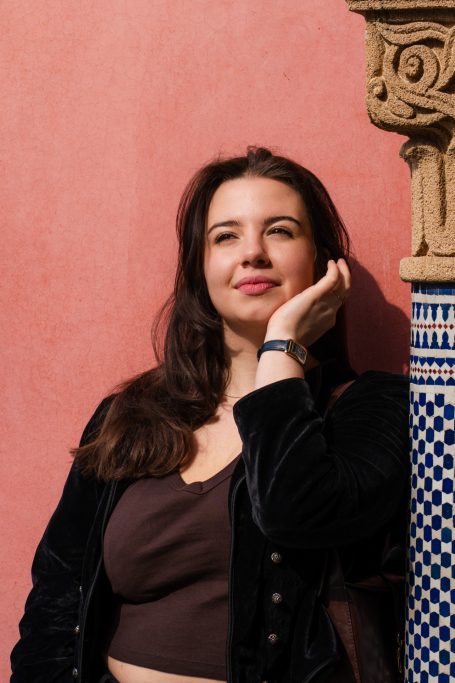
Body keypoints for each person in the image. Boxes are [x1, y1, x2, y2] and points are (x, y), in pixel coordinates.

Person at [10, 147, 409, 683]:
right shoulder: (132, 414)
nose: (253, 253)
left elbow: (296, 514)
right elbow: (58, 593)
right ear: (200, 268)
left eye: (280, 231)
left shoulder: (375, 406)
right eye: (226, 236)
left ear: (323, 263)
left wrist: (282, 347)